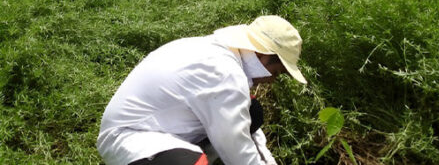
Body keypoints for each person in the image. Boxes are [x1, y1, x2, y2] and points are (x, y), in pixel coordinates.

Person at [97, 15, 307, 165]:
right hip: (131, 138)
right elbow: (234, 146)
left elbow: (244, 131)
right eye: (276, 72)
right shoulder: (224, 73)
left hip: (163, 127)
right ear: (262, 56)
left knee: (252, 111)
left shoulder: (217, 52)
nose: (271, 80)